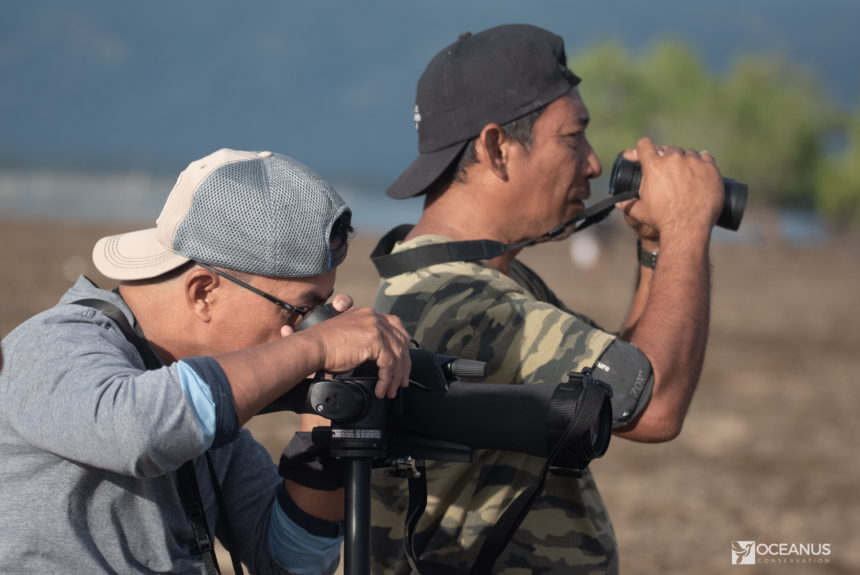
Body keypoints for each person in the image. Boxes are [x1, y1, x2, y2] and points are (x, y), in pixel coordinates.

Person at [367, 24, 725, 574]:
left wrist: (655, 248)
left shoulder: (478, 281)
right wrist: (684, 225)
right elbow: (653, 408)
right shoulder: (463, 301)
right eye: (573, 137)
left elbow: (620, 385)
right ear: (497, 148)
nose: (594, 163)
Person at [0, 148, 412, 574]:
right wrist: (317, 346)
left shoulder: (206, 406)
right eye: (297, 311)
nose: (301, 331)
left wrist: (329, 417)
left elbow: (293, 563)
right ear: (203, 292)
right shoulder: (54, 344)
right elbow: (141, 430)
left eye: (320, 312)